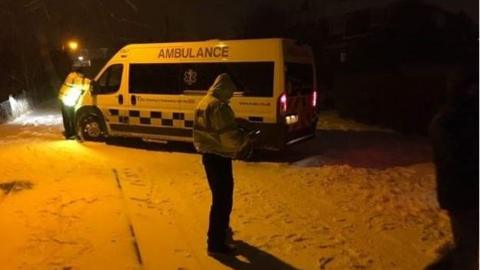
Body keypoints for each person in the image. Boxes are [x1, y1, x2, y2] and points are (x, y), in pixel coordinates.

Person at [193, 73, 253, 255]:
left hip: (209, 155)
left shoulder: (204, 102)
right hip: (219, 157)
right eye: (231, 92)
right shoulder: (219, 107)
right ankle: (216, 243)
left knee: (219, 199)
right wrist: (245, 137)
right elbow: (230, 140)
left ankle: (219, 235)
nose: (231, 96)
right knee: (222, 201)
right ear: (224, 88)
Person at [427, 68, 478, 270]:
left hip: (468, 194)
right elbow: (457, 159)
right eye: (473, 88)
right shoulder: (447, 121)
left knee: (469, 248)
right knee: (468, 250)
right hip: (463, 198)